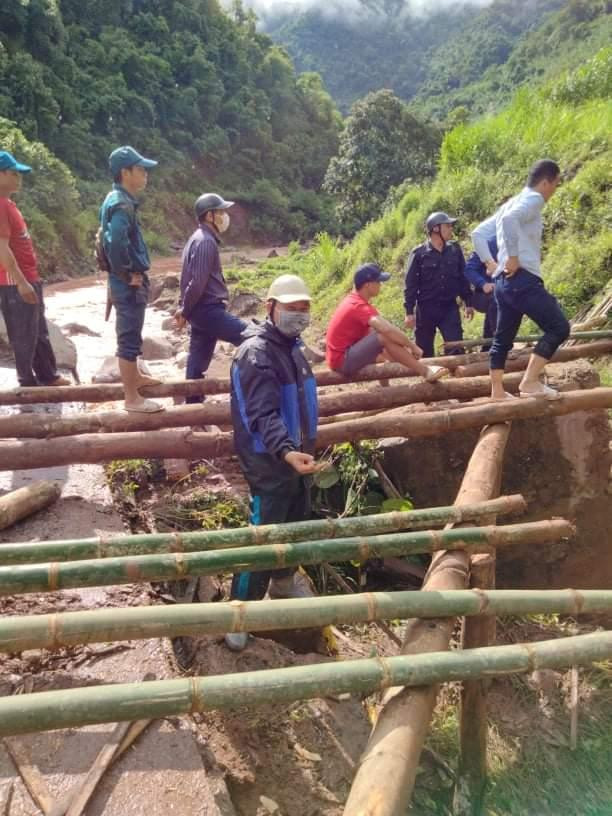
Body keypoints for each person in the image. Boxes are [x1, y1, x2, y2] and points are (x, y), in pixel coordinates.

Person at [226, 273, 323, 651]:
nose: (299, 315)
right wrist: (285, 450)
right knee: (264, 535)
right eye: (291, 308)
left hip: (297, 454)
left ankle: (283, 585)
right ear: (271, 308)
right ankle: (239, 612)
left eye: (304, 309)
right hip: (270, 460)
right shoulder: (256, 354)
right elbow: (263, 414)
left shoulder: (293, 348)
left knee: (295, 523)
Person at [474, 159, 569, 400]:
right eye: (555, 185)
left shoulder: (512, 202)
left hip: (503, 285)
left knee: (502, 340)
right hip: (522, 280)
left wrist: (490, 263)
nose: (553, 191)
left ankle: (497, 392)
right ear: (546, 181)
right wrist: (513, 257)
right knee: (559, 327)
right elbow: (508, 221)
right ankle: (530, 381)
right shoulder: (534, 199)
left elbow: (477, 234)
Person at [100, 146, 163, 413]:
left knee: (133, 334)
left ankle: (134, 378)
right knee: (128, 338)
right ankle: (131, 398)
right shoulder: (122, 205)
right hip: (128, 283)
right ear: (125, 173)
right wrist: (127, 274)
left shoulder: (117, 199)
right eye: (140, 170)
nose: (145, 174)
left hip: (123, 281)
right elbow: (115, 244)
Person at [0, 151, 70, 388]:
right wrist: (20, 282)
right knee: (23, 334)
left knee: (38, 329)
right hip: (14, 282)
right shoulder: (0, 205)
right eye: (13, 173)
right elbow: (2, 248)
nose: (19, 178)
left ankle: (47, 375)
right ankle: (27, 383)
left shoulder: (8, 204)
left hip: (28, 278)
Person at [174, 193, 247, 403]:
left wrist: (185, 309)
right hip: (208, 311)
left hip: (200, 312)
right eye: (221, 211)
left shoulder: (196, 239)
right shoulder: (206, 242)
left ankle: (192, 409)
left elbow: (190, 280)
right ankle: (255, 389)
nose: (225, 216)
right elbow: (197, 282)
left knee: (196, 366)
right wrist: (185, 311)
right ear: (209, 216)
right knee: (252, 337)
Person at [326, 263, 448, 381]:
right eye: (378, 282)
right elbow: (386, 330)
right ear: (368, 285)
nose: (380, 285)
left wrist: (403, 352)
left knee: (383, 347)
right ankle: (425, 371)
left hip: (343, 357)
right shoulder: (357, 305)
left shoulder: (355, 301)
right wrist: (413, 346)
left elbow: (379, 338)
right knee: (382, 336)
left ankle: (387, 391)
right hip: (342, 361)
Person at [404, 212, 474, 358]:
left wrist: (468, 302)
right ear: (436, 229)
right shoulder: (419, 254)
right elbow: (410, 284)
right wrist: (409, 312)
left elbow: (462, 277)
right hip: (426, 309)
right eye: (447, 226)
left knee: (456, 349)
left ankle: (457, 379)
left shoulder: (454, 250)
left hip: (449, 308)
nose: (451, 229)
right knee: (424, 353)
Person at [465, 228, 498, 351]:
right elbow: (468, 269)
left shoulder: (516, 244)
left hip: (503, 293)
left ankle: (488, 346)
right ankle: (499, 342)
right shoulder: (488, 244)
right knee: (495, 297)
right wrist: (483, 284)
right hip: (481, 295)